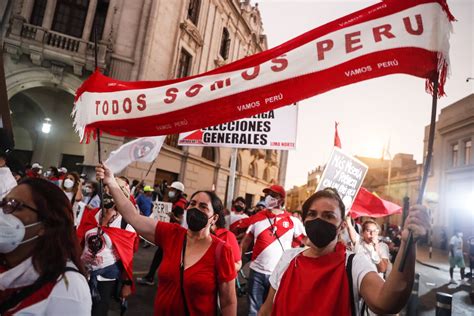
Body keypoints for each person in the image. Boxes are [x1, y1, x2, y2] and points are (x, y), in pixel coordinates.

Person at [258, 188, 430, 316]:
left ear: (341, 225)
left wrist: (408, 242)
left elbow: (386, 302)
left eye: (328, 216)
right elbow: (266, 310)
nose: (318, 220)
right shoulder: (289, 258)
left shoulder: (353, 263)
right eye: (312, 214)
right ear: (304, 220)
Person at [96, 164, 237, 315]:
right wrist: (111, 182)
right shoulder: (172, 234)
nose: (195, 209)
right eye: (193, 204)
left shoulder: (222, 251)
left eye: (203, 207)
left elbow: (228, 302)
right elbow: (133, 217)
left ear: (214, 218)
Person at [0, 178, 91, 315]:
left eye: (14, 205)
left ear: (45, 224)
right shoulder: (6, 265)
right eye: (2, 204)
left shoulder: (67, 288)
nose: (3, 213)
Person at [240, 184, 305, 316]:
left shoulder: (293, 221)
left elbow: (305, 242)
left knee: (274, 310)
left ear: (281, 199)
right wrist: (238, 259)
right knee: (253, 311)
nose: (268, 198)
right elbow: (246, 241)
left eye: (273, 195)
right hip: (256, 272)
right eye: (267, 195)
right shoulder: (257, 218)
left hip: (279, 274)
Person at [76, 177, 137, 316]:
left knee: (98, 312)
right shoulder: (91, 214)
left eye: (111, 189)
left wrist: (127, 283)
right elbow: (79, 242)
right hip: (82, 275)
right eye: (105, 188)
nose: (106, 192)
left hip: (106, 279)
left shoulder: (126, 224)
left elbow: (128, 258)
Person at [137, 181, 188, 286]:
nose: (170, 191)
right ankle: (153, 277)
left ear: (178, 192)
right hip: (170, 234)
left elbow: (181, 221)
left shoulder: (180, 204)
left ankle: (154, 278)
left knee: (164, 257)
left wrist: (173, 217)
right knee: (161, 256)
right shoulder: (174, 201)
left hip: (174, 236)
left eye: (172, 190)